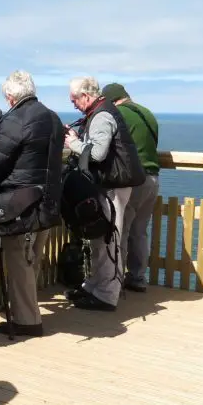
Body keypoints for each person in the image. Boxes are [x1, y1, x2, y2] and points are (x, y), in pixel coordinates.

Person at [0, 71, 64, 336]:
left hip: (21, 203)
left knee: (19, 258)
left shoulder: (15, 119)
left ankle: (27, 321)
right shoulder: (52, 117)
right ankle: (26, 311)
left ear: (10, 96)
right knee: (32, 258)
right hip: (48, 197)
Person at [64, 76, 145, 311]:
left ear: (86, 96)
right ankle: (93, 287)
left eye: (74, 100)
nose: (74, 105)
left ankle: (107, 295)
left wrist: (74, 143)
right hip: (111, 184)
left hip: (114, 185)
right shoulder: (101, 112)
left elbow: (97, 154)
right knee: (101, 237)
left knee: (109, 239)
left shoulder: (101, 116)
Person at [101, 83, 160, 292]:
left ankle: (115, 279)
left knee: (121, 230)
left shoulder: (119, 114)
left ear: (111, 100)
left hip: (134, 180)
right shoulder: (148, 113)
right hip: (153, 179)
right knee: (140, 231)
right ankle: (137, 277)